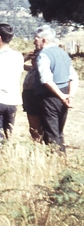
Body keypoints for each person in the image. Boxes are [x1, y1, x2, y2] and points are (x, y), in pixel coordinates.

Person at [32, 25, 79, 154]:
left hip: (49, 96)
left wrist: (62, 96)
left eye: (36, 39)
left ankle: (54, 160)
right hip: (63, 94)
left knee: (51, 132)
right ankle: (61, 159)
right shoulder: (63, 53)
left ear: (44, 40)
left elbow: (46, 79)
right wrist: (69, 95)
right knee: (59, 131)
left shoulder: (43, 55)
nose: (34, 41)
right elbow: (74, 77)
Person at [21, 50, 43, 142]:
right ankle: (36, 140)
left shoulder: (40, 70)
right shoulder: (31, 69)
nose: (32, 61)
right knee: (32, 121)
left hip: (34, 96)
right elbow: (17, 64)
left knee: (36, 122)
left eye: (35, 59)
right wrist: (27, 57)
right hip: (27, 96)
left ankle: (39, 139)